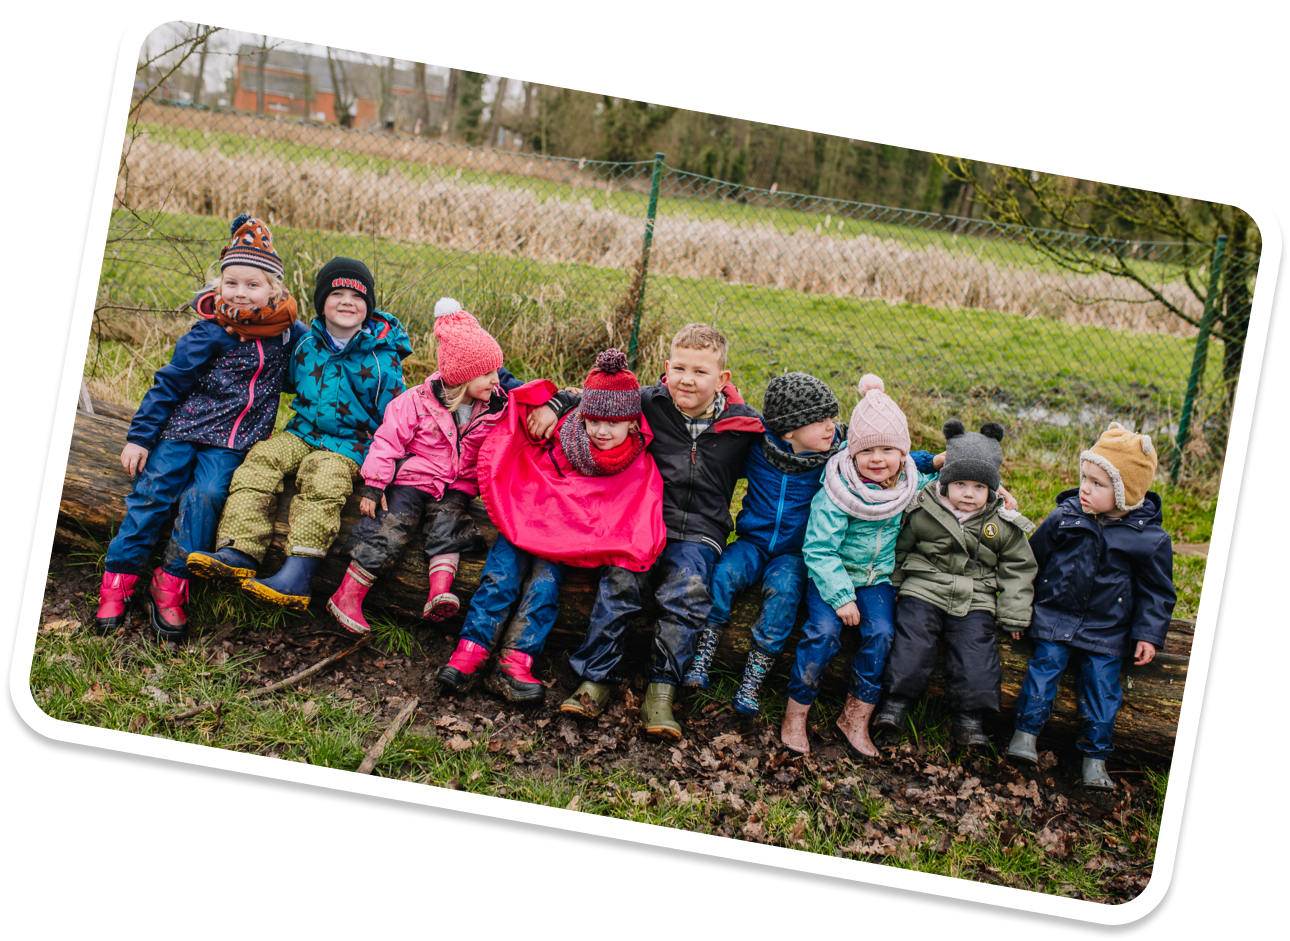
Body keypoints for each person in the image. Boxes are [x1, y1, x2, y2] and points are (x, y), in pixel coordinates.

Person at [531, 324, 764, 740]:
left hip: (700, 533)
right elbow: (594, 400)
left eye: (700, 372)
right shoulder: (649, 403)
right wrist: (552, 404)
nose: (687, 380)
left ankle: (662, 688)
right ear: (666, 368)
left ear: (723, 380)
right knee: (619, 581)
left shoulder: (742, 427)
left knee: (687, 592)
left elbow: (789, 447)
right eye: (679, 368)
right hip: (643, 519)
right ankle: (596, 676)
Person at [94, 214, 305, 639]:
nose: (241, 293)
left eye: (253, 284)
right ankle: (117, 580)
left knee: (206, 496)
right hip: (183, 430)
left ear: (275, 290)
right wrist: (140, 437)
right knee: (152, 494)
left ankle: (171, 583)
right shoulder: (208, 333)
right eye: (232, 283)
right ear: (218, 285)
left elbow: (317, 360)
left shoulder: (288, 335)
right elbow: (168, 384)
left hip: (233, 442)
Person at [436, 349, 665, 704]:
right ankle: (472, 650)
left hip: (566, 540)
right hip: (526, 515)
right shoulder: (564, 428)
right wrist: (555, 403)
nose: (601, 432)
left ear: (633, 423)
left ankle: (515, 662)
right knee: (500, 575)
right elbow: (522, 403)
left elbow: (635, 507)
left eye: (612, 424)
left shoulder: (635, 460)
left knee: (544, 587)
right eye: (593, 421)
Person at [186, 257, 410, 611]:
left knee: (324, 480)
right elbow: (287, 382)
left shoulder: (383, 359)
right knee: (261, 459)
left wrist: (382, 474)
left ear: (369, 307)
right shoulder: (305, 345)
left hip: (349, 444)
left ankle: (298, 572)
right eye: (336, 293)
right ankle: (240, 549)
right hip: (302, 432)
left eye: (357, 297)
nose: (347, 302)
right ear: (321, 301)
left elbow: (396, 420)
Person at [326, 298, 525, 633]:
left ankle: (439, 592)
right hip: (413, 479)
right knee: (392, 525)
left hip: (456, 485)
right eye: (488, 373)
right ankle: (348, 594)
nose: (497, 379)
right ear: (463, 376)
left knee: (451, 523)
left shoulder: (497, 407)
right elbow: (387, 440)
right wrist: (375, 487)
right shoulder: (417, 402)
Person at [1006, 422, 1175, 789]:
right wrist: (1018, 610)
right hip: (1055, 617)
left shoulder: (1149, 540)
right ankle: (1025, 735)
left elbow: (1157, 592)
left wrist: (1148, 634)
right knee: (1044, 665)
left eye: (1098, 484)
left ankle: (1095, 758)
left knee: (1102, 687)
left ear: (1126, 493)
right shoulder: (1065, 517)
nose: (1084, 488)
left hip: (1107, 630)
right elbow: (1030, 563)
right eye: (1084, 477)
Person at [796, 375, 944, 756]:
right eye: (867, 451)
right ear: (852, 454)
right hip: (832, 576)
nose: (877, 459)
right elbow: (818, 549)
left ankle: (855, 717)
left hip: (876, 578)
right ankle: (797, 713)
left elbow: (954, 480)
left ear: (903, 455)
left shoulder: (908, 483)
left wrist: (996, 490)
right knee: (823, 632)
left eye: (887, 450)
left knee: (881, 634)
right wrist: (842, 597)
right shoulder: (839, 491)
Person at [875, 420, 1038, 747]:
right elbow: (900, 546)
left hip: (975, 593)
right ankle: (895, 702)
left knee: (976, 647)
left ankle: (969, 718)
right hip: (924, 585)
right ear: (945, 481)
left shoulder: (1000, 521)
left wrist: (1015, 611)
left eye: (979, 487)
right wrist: (892, 585)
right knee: (913, 636)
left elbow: (1018, 565)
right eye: (960, 483)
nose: (968, 493)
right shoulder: (924, 508)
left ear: (992, 489)